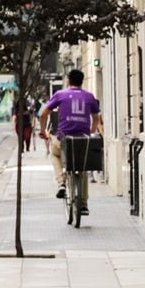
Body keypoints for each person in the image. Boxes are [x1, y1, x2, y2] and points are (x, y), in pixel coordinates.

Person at [41, 69, 103, 211]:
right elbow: (96, 118)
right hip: (82, 140)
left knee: (54, 154)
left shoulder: (60, 94)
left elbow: (44, 114)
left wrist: (43, 130)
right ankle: (83, 204)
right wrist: (91, 131)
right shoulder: (89, 96)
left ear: (68, 81)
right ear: (82, 81)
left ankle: (61, 182)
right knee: (83, 167)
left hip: (64, 140)